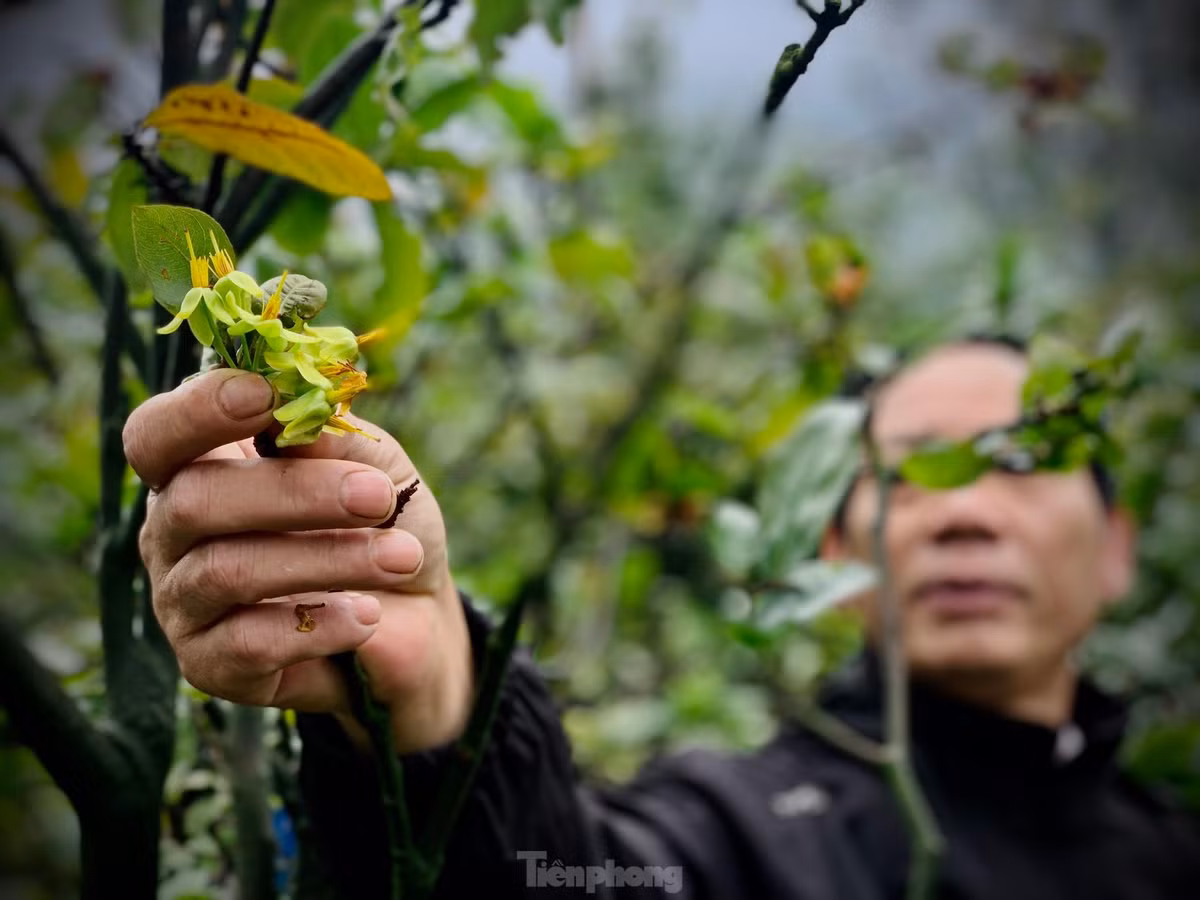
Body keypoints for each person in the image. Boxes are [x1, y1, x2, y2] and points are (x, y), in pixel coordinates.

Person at [124, 337, 1200, 898]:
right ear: (831, 549)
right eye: (908, 475)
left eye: (1019, 461)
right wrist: (438, 695)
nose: (962, 512)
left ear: (1117, 547)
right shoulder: (746, 837)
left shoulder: (1171, 855)